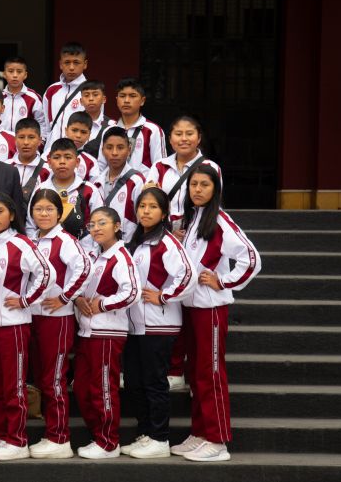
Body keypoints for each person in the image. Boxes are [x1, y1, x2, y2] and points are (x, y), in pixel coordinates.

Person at [171, 164, 261, 462]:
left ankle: (218, 439)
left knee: (210, 373)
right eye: (193, 184)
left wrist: (223, 281)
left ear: (215, 189)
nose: (197, 190)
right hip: (190, 307)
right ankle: (200, 432)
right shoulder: (193, 218)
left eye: (204, 185)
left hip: (210, 308)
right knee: (195, 373)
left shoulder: (221, 221)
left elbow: (251, 259)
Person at [145, 116, 222, 390]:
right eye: (178, 133)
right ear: (170, 138)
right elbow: (150, 201)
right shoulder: (159, 167)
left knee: (193, 306)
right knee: (172, 302)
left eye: (190, 133)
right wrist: (167, 229)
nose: (184, 138)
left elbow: (209, 204)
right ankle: (174, 368)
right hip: (166, 240)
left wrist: (186, 230)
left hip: (196, 239)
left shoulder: (209, 167)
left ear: (199, 137)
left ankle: (195, 374)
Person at [0, 192, 54, 461]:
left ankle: (17, 439)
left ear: (11, 214)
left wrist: (26, 300)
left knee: (13, 385)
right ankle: (2, 436)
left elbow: (46, 273)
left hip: (13, 325)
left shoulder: (20, 243)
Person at [120, 187, 196, 459]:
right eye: (142, 206)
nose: (146, 211)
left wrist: (164, 295)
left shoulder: (166, 242)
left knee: (154, 382)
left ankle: (160, 437)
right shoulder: (137, 240)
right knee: (134, 381)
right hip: (135, 324)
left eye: (153, 207)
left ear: (164, 213)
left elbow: (188, 275)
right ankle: (145, 433)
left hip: (158, 324)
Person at [73, 207, 142, 459]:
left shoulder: (121, 257)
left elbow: (132, 292)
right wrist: (79, 299)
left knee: (103, 387)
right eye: (92, 224)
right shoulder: (94, 255)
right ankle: (98, 435)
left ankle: (108, 441)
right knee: (82, 386)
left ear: (116, 226)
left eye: (103, 223)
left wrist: (102, 304)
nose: (97, 228)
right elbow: (79, 286)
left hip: (108, 332)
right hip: (87, 332)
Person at [27, 189, 91, 459]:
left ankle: (59, 436)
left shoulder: (65, 240)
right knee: (42, 377)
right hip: (33, 316)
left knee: (54, 378)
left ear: (59, 212)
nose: (43, 214)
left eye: (49, 209)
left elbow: (84, 268)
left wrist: (66, 297)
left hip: (57, 319)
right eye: (38, 209)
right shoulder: (32, 240)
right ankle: (50, 432)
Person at [27, 138, 102, 249]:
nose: (62, 162)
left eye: (68, 157)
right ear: (49, 161)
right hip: (44, 254)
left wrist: (90, 255)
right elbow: (30, 225)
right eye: (56, 157)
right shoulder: (41, 190)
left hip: (82, 254)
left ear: (77, 162)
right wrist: (35, 252)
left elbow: (99, 226)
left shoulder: (89, 191)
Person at [95, 127, 146, 242]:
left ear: (129, 150)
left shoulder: (137, 181)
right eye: (109, 147)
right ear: (102, 150)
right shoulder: (96, 182)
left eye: (120, 147)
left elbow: (142, 220)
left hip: (127, 247)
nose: (114, 153)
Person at [114, 78, 166, 176]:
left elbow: (160, 166)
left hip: (143, 188)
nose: (126, 100)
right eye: (122, 96)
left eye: (132, 96)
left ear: (142, 101)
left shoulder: (152, 130)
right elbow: (102, 165)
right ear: (117, 100)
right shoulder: (110, 129)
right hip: (113, 189)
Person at [43, 42, 88, 140]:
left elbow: (95, 124)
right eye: (67, 62)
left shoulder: (91, 91)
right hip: (52, 151)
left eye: (76, 62)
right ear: (60, 64)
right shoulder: (51, 90)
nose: (71, 67)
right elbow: (46, 125)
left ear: (85, 64)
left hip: (78, 152)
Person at [1, 56, 49, 137]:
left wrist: (40, 144)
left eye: (19, 71)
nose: (15, 75)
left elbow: (42, 123)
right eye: (11, 71)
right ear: (4, 74)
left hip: (26, 145)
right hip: (2, 146)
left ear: (25, 75)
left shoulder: (33, 98)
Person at [8, 118, 50, 204]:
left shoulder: (48, 169)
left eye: (31, 137)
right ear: (15, 140)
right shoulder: (5, 166)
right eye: (21, 137)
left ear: (39, 140)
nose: (26, 142)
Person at [77, 80, 117, 160]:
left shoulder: (112, 126)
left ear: (104, 99)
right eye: (86, 95)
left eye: (95, 95)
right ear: (81, 101)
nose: (91, 99)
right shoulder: (73, 123)